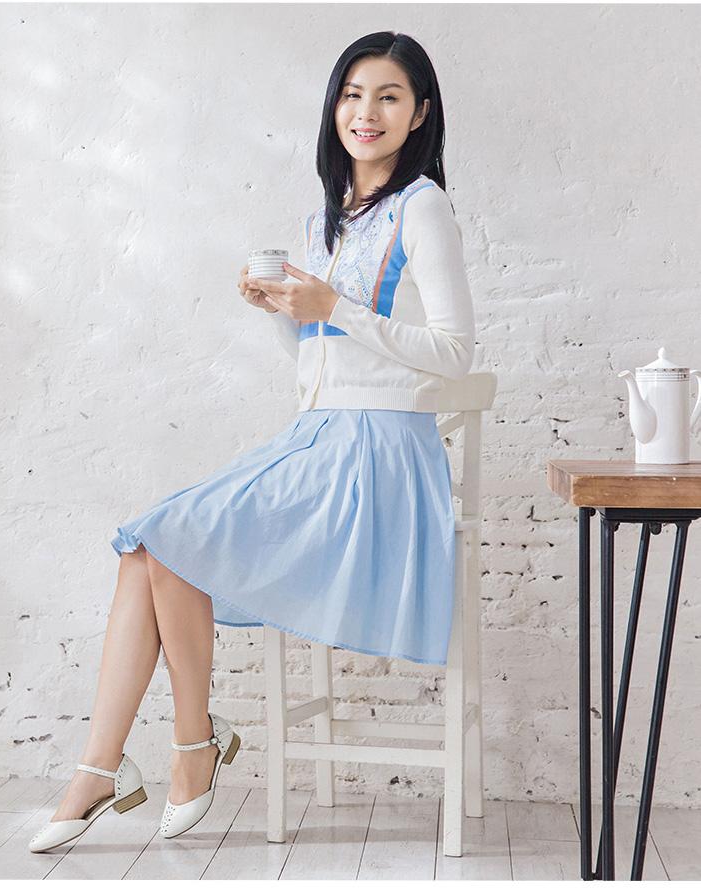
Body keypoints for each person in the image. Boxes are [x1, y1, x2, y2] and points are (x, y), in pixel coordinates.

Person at [29, 29, 476, 854]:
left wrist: (332, 307)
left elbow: (455, 354)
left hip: (379, 460)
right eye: (352, 94)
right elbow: (318, 364)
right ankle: (108, 763)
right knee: (149, 543)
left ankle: (186, 748)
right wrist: (283, 313)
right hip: (319, 438)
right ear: (333, 108)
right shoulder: (323, 222)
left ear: (419, 114)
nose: (367, 112)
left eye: (388, 97)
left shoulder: (424, 208)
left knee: (168, 539)